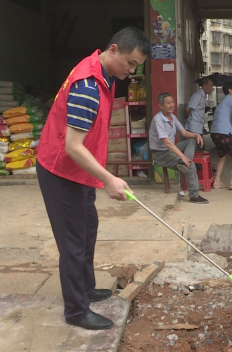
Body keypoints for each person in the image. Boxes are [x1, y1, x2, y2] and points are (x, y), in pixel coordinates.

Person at [36, 27, 150, 330]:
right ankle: (75, 310)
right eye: (129, 63)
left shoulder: (104, 75)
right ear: (113, 50)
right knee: (72, 242)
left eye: (136, 66)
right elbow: (72, 146)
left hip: (80, 171)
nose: (131, 71)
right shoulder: (87, 85)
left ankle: (85, 288)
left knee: (88, 230)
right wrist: (110, 179)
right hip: (61, 171)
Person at [149, 92, 209, 204]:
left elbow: (184, 132)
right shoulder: (158, 120)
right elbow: (167, 142)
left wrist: (196, 135)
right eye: (168, 103)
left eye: (172, 102)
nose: (171, 105)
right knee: (190, 165)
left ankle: (182, 163)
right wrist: (183, 157)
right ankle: (194, 196)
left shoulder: (172, 117)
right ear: (161, 105)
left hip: (170, 150)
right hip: (160, 154)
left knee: (191, 140)